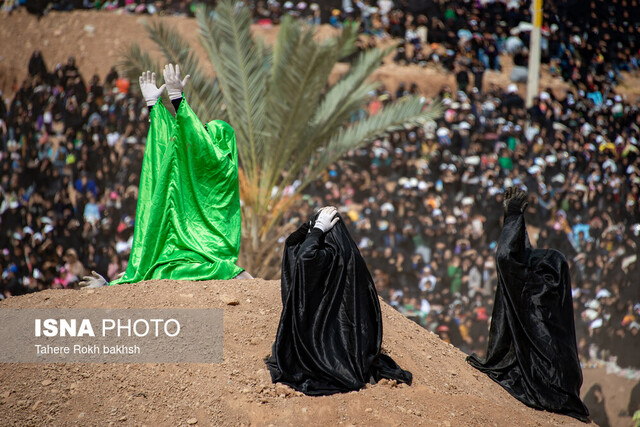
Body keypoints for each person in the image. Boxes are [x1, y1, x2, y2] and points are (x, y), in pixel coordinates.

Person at [80, 64, 251, 287]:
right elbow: (172, 143)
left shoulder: (223, 168)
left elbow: (199, 145)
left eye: (207, 132)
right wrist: (155, 106)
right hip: (172, 258)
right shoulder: (188, 170)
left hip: (208, 258)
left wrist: (178, 99)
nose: (201, 133)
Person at [466, 187, 589, 422]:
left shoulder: (540, 300)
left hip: (550, 387)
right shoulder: (544, 285)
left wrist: (513, 217)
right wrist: (514, 220)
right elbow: (516, 262)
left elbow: (508, 261)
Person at [266, 206, 412, 395]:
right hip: (353, 346)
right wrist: (310, 226)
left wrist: (316, 230)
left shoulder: (329, 255)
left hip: (323, 347)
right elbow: (293, 245)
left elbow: (303, 256)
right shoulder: (349, 255)